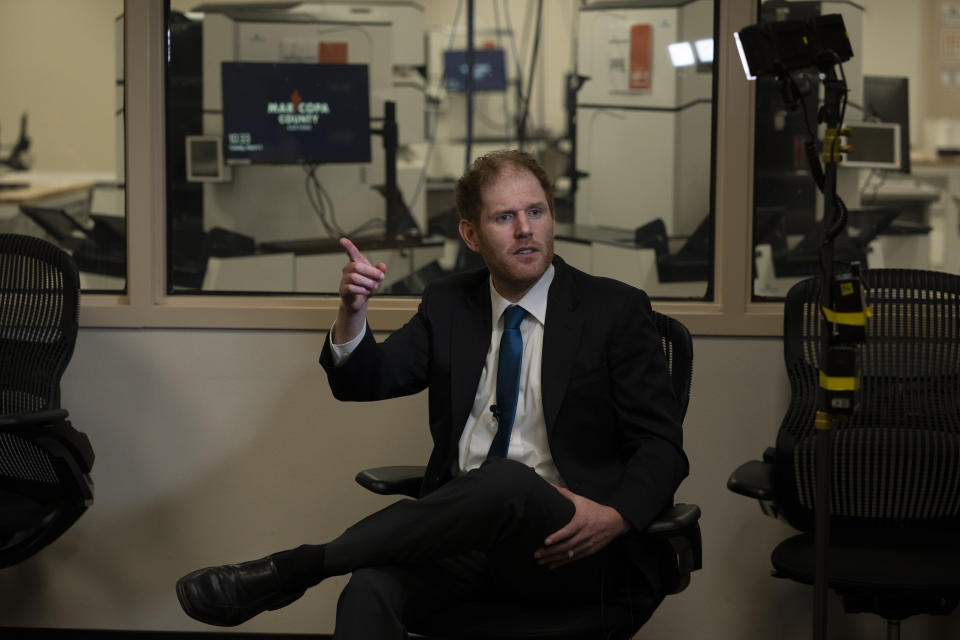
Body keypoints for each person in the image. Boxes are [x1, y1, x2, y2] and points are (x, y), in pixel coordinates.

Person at [176, 150, 689, 638]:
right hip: (464, 545)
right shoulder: (449, 304)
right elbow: (365, 381)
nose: (526, 229)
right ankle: (317, 568)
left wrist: (615, 516)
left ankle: (301, 565)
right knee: (369, 588)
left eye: (536, 211)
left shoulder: (613, 310)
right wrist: (352, 313)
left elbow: (661, 446)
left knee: (505, 479)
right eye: (504, 217)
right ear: (471, 233)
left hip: (569, 546)